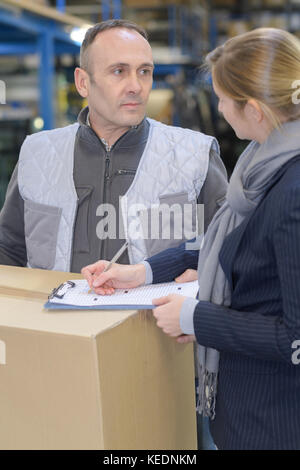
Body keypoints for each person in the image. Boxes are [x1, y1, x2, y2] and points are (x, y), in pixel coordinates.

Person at [82, 28, 300, 450]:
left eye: (221, 97)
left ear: (253, 109)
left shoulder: (292, 192)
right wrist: (142, 271)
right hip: (243, 417)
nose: (216, 107)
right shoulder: (261, 163)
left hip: (274, 423)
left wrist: (197, 319)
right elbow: (229, 244)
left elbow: (295, 339)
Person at [0, 19, 227, 273]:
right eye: (119, 71)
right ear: (83, 82)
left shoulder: (194, 156)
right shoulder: (38, 155)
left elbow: (227, 248)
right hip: (50, 312)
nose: (136, 87)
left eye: (144, 71)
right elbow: (9, 250)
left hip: (152, 313)